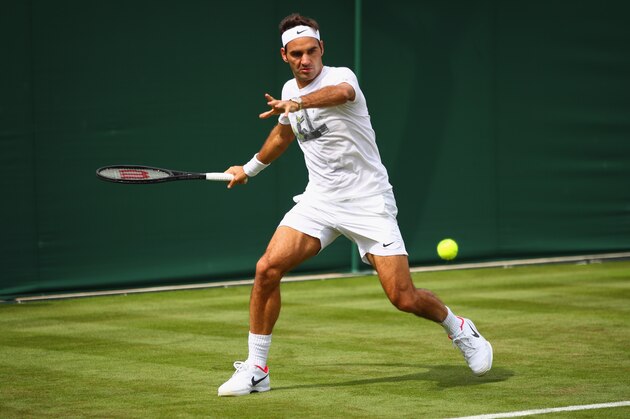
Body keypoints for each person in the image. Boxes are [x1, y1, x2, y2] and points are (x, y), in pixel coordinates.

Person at [218, 13, 492, 397]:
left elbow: (342, 95)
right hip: (320, 200)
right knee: (267, 269)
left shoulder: (341, 78)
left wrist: (296, 102)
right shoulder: (288, 91)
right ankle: (257, 370)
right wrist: (248, 169)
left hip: (368, 201)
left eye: (312, 51)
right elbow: (282, 136)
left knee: (403, 297)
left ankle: (459, 328)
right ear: (285, 55)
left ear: (322, 49)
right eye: (296, 54)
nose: (305, 60)